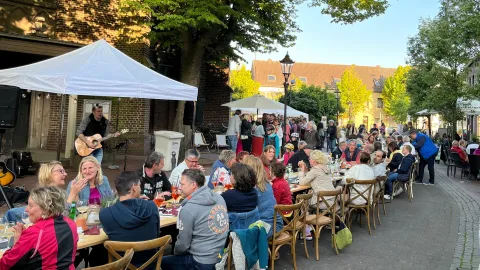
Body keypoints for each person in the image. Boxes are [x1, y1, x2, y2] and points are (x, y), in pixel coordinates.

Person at [161, 169, 229, 270]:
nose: (180, 188)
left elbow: (183, 246)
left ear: (193, 185)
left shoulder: (188, 209)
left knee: (158, 261)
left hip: (200, 262)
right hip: (221, 256)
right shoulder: (219, 198)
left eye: (182, 184)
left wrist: (176, 254)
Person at [0, 186, 78, 269]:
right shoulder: (71, 223)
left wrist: (16, 244)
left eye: (30, 205)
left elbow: (6, 265)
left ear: (45, 208)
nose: (26, 209)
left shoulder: (35, 233)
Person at [100, 171, 160, 268]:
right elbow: (157, 234)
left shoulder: (105, 214)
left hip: (123, 266)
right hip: (150, 265)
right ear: (134, 187)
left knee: (97, 253)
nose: (140, 189)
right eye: (140, 186)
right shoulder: (152, 206)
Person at [3, 160, 87, 222]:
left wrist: (75, 197)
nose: (65, 174)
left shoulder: (61, 193)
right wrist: (72, 195)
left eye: (64, 171)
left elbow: (74, 215)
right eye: (61, 171)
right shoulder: (41, 196)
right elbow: (61, 220)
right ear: (48, 174)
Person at [242, 156, 283, 238]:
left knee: (238, 233)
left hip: (267, 227)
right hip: (276, 223)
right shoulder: (265, 184)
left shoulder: (253, 189)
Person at [221, 163, 259, 229]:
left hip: (233, 232)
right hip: (250, 230)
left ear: (237, 178)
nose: (230, 176)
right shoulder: (254, 193)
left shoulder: (228, 196)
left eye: (231, 174)